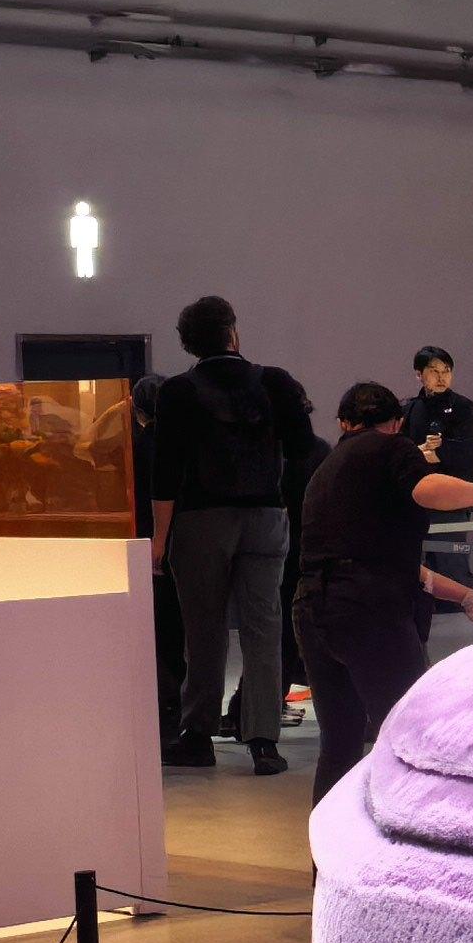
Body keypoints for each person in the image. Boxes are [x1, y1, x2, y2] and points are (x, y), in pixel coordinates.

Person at [295, 383, 473, 790]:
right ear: (397, 422)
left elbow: (401, 567)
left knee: (339, 744)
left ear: (344, 423)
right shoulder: (391, 447)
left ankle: (327, 834)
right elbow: (426, 490)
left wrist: (464, 595)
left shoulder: (326, 469)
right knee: (407, 731)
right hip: (369, 612)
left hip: (313, 609)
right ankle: (405, 827)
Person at [149, 293, 320, 772]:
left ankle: (198, 734)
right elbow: (303, 447)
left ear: (189, 344)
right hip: (265, 516)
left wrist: (160, 540)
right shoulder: (274, 382)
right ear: (233, 333)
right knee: (264, 627)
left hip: (201, 520)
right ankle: (263, 740)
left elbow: (165, 473)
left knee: (203, 628)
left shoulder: (178, 392)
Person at [405, 348, 473, 483]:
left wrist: (432, 452)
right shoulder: (409, 408)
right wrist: (421, 450)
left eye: (446, 371)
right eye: (434, 371)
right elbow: (401, 453)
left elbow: (464, 453)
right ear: (419, 374)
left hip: (452, 483)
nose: (441, 377)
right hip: (417, 484)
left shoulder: (462, 406)